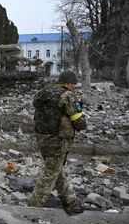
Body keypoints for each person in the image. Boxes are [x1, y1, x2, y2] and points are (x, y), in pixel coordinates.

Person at [28, 70, 87, 215]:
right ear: (68, 83)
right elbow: (78, 121)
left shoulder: (45, 92)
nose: (74, 87)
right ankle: (33, 206)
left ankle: (68, 199)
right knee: (51, 172)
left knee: (56, 168)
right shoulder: (67, 95)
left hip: (42, 137)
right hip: (58, 139)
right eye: (74, 85)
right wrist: (82, 123)